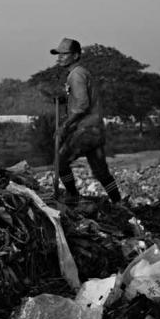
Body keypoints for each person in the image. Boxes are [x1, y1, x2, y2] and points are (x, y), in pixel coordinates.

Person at [50, 37, 123, 204]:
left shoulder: (76, 75)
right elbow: (81, 98)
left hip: (86, 130)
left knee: (60, 162)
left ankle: (72, 195)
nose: (59, 57)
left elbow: (82, 105)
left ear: (75, 56)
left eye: (64, 54)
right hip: (95, 129)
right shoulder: (80, 73)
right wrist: (64, 100)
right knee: (101, 171)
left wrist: (65, 126)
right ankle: (118, 202)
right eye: (58, 54)